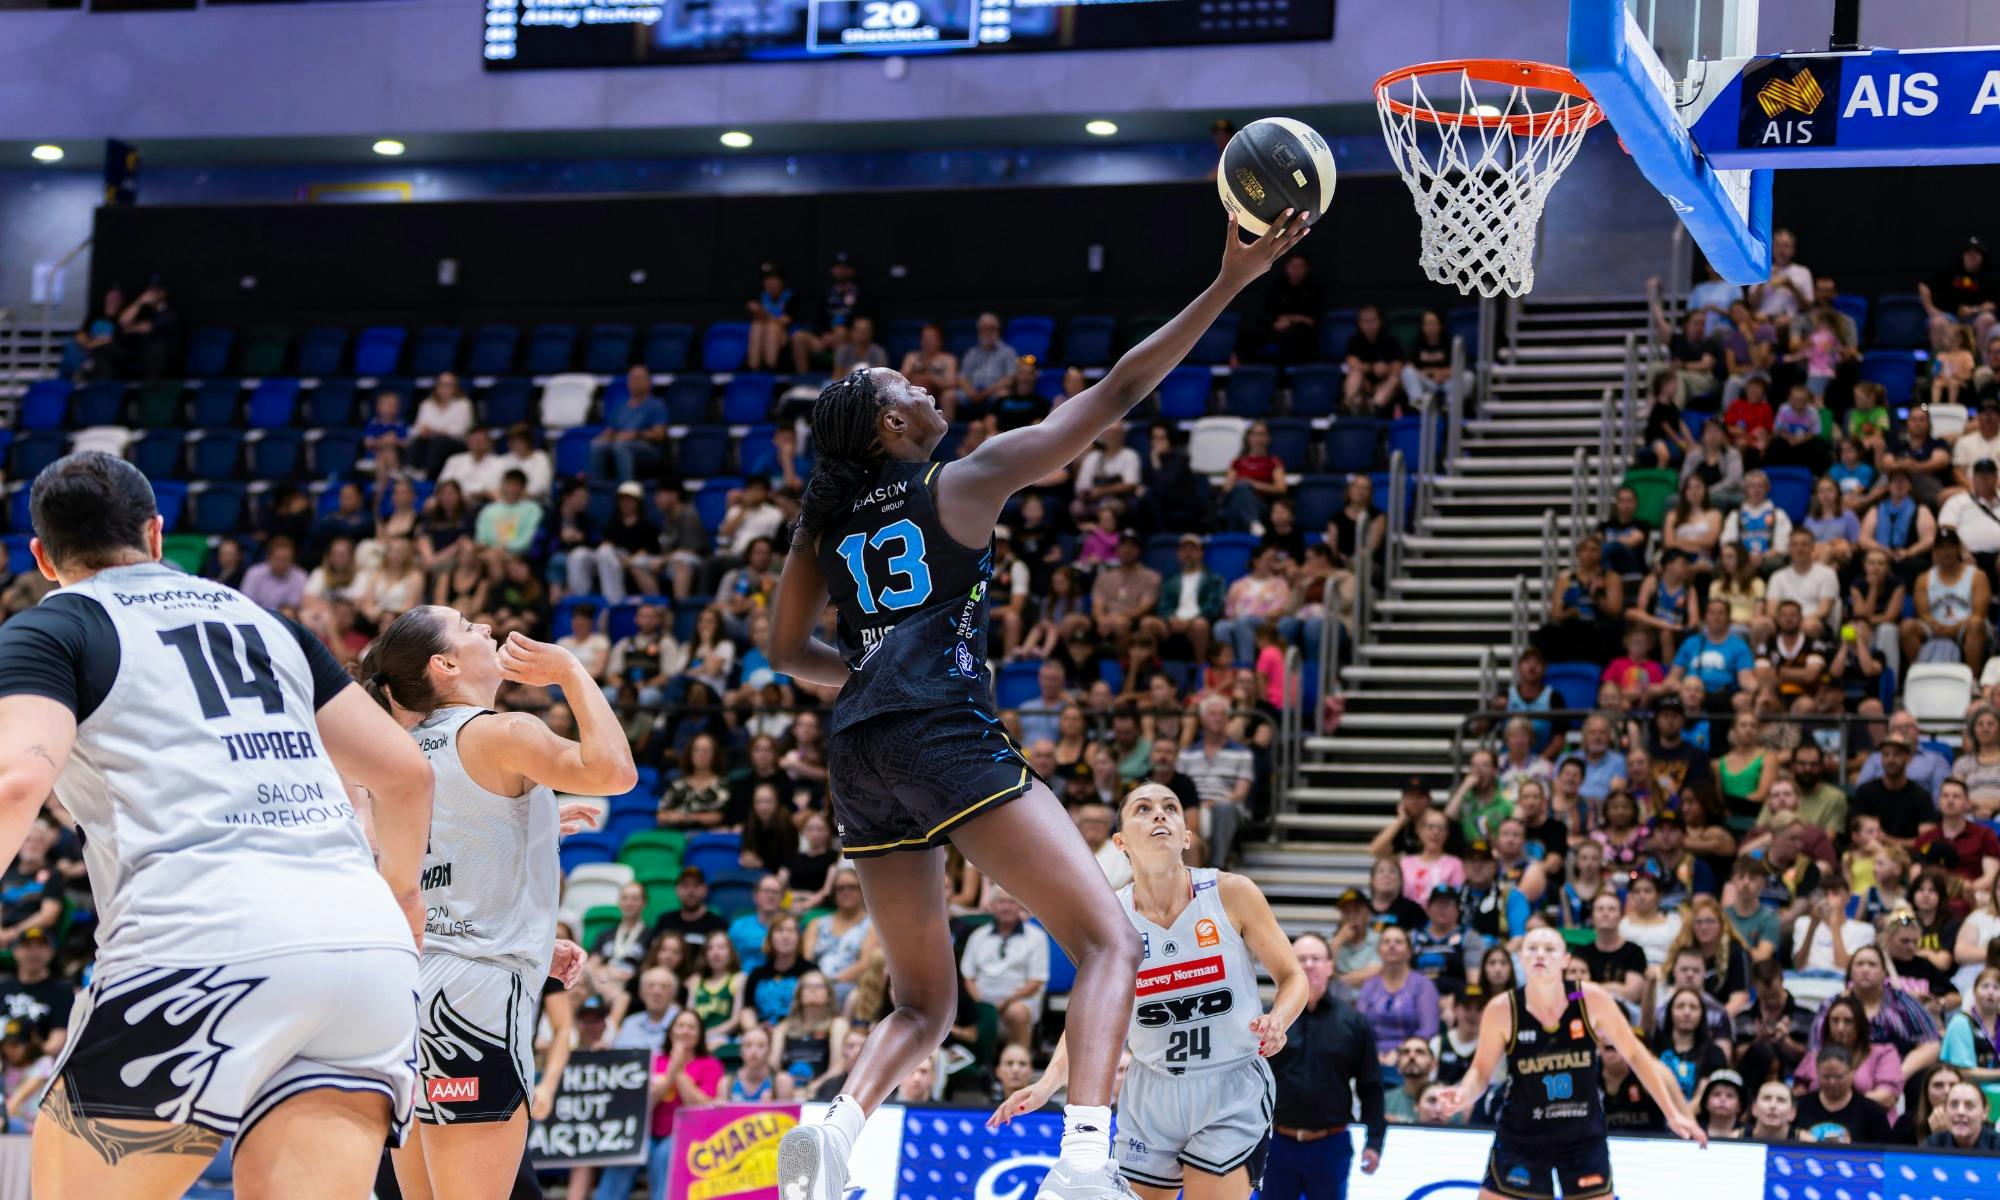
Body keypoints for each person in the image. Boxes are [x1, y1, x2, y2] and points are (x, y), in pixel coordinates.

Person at [769, 210, 1312, 1200]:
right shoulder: (960, 482)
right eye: (908, 389)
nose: (926, 388)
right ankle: (1085, 1157)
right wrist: (1229, 279)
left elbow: (777, 648)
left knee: (921, 1001)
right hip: (938, 733)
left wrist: (865, 674)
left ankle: (837, 1127)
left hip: (858, 750)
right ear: (894, 427)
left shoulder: (825, 521)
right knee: (1106, 940)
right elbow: (1116, 391)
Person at [0, 453, 436, 1199]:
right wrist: (400, 894)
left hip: (200, 945)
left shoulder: (55, 626)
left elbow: (17, 780)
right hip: (367, 951)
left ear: (42, 557)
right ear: (157, 534)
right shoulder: (264, 622)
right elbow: (404, 773)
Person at [364, 607, 636, 1200]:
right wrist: (570, 670)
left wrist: (537, 838)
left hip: (403, 990)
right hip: (474, 998)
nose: (485, 629)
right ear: (446, 664)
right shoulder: (504, 734)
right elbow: (615, 771)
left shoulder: (398, 750)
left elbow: (427, 857)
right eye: (466, 626)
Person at [989, 783, 1307, 1200]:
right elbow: (1092, 1015)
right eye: (1143, 809)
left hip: (1229, 1087)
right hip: (1149, 1090)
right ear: (1119, 841)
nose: (1160, 815)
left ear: (1187, 835)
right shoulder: (1107, 916)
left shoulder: (1232, 893)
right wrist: (1048, 1083)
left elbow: (1293, 977)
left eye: (1171, 808)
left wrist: (1278, 1020)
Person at [1439, 928, 1704, 1200]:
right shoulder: (1502, 1009)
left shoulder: (1590, 999)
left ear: (1565, 960)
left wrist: (1672, 1112)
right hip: (1521, 1134)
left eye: (1550, 949)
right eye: (1532, 948)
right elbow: (1480, 1072)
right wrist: (1463, 1093)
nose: (1540, 954)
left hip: (1581, 1135)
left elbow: (1636, 1055)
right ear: (1520, 957)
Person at [1255, 933, 1385, 1200]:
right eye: (1301, 959)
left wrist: (1374, 1142)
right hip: (1278, 1143)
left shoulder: (1354, 1023)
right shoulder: (1270, 1020)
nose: (1309, 965)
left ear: (1330, 966)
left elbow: (1370, 1086)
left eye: (1316, 959)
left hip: (1331, 1145)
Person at [1794, 1045, 1894, 1144]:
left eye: (1838, 1077)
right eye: (1826, 1077)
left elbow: (1885, 1151)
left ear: (1852, 1073)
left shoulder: (1871, 1111)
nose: (1832, 1082)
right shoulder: (1799, 1105)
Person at [1928, 1080, 2000, 1149]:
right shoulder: (1933, 1144)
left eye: (1969, 1106)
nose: (1960, 1111)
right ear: (1945, 1110)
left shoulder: (1997, 1145)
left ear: (1985, 1112)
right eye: (1954, 1105)